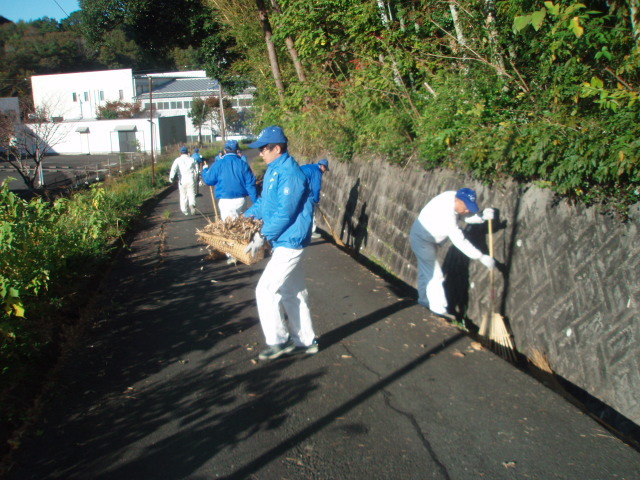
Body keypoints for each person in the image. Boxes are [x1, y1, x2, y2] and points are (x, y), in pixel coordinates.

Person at [243, 125, 318, 361]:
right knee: (293, 292)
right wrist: (244, 218)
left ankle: (279, 341)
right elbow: (266, 203)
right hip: (285, 239)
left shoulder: (291, 173)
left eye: (264, 149)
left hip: (291, 240)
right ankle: (306, 340)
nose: (260, 153)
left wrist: (262, 235)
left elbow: (285, 213)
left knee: (265, 290)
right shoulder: (275, 170)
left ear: (277, 148)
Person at [409, 188, 495, 320]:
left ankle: (424, 301)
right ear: (458, 200)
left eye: (469, 208)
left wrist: (481, 216)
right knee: (435, 275)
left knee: (425, 272)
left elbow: (466, 217)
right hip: (422, 239)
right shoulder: (446, 213)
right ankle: (438, 310)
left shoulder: (455, 200)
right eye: (466, 207)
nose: (467, 211)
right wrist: (481, 256)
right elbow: (459, 240)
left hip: (430, 239)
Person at [301, 158, 330, 239]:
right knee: (310, 212)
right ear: (323, 167)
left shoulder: (309, 167)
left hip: (297, 187)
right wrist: (316, 199)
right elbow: (316, 187)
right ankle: (310, 232)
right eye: (325, 169)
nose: (324, 172)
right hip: (304, 192)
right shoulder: (317, 172)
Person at [169, 146, 197, 216]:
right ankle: (192, 204)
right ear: (187, 152)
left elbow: (173, 169)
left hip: (182, 180)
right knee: (191, 193)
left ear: (180, 153)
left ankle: (185, 210)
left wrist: (171, 178)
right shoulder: (192, 159)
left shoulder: (177, 160)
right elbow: (196, 168)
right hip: (191, 179)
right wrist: (196, 176)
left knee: (183, 195)